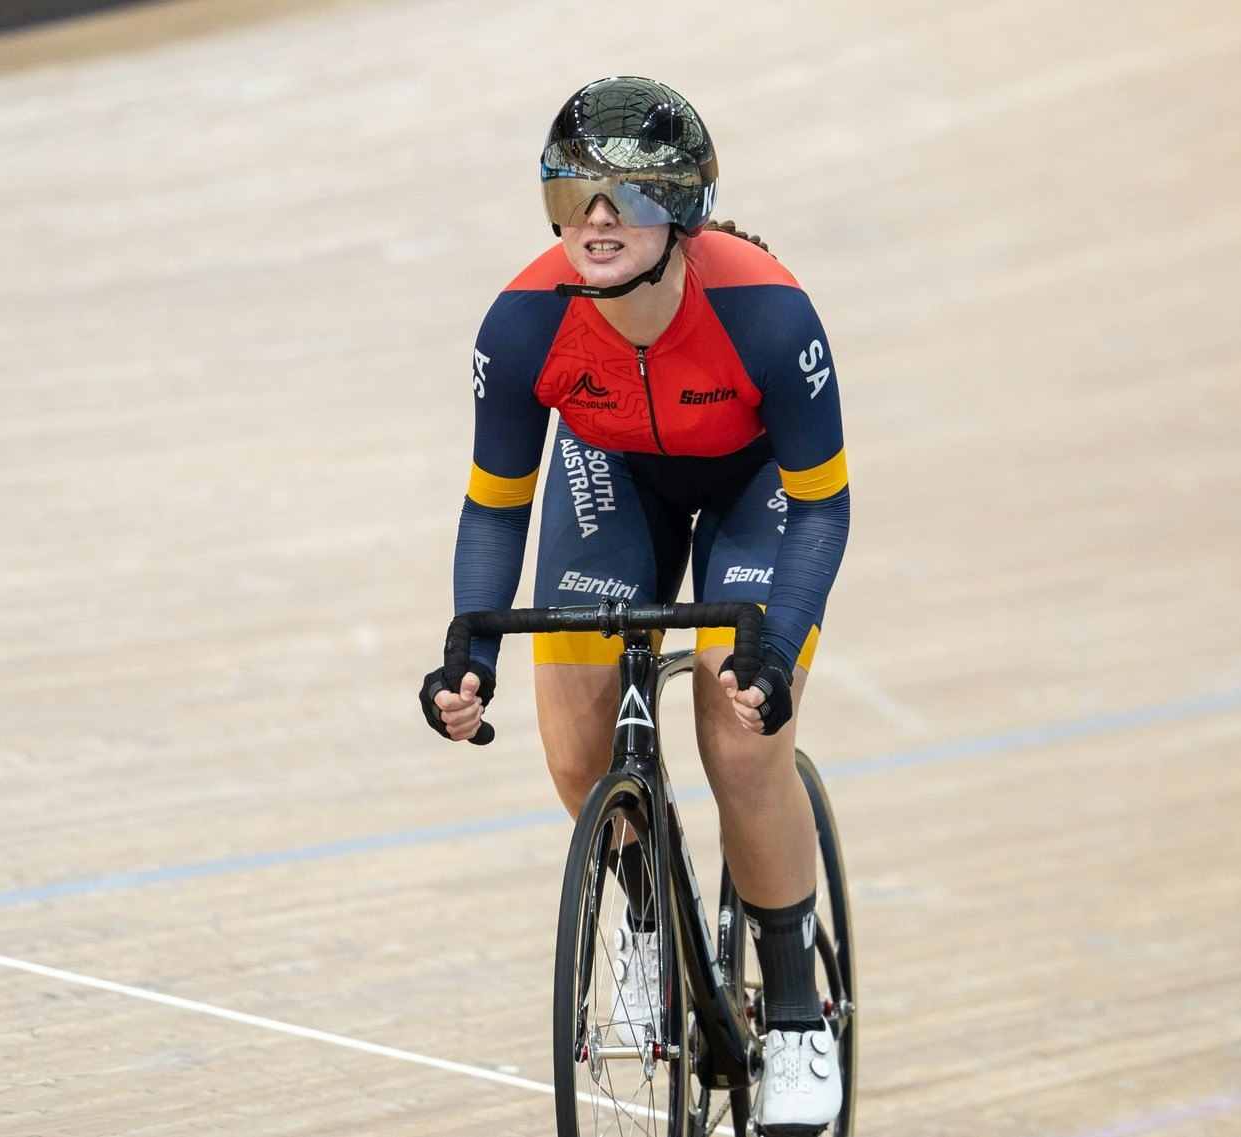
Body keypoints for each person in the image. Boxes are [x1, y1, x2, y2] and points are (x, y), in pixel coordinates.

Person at [419, 76, 850, 1131]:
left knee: (738, 733)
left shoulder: (763, 307)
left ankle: (795, 1017)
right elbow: (491, 514)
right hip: (608, 475)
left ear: (683, 210)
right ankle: (646, 917)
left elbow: (825, 509)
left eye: (626, 195)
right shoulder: (523, 325)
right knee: (574, 753)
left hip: (750, 493)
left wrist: (776, 643)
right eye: (573, 194)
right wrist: (467, 645)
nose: (595, 219)